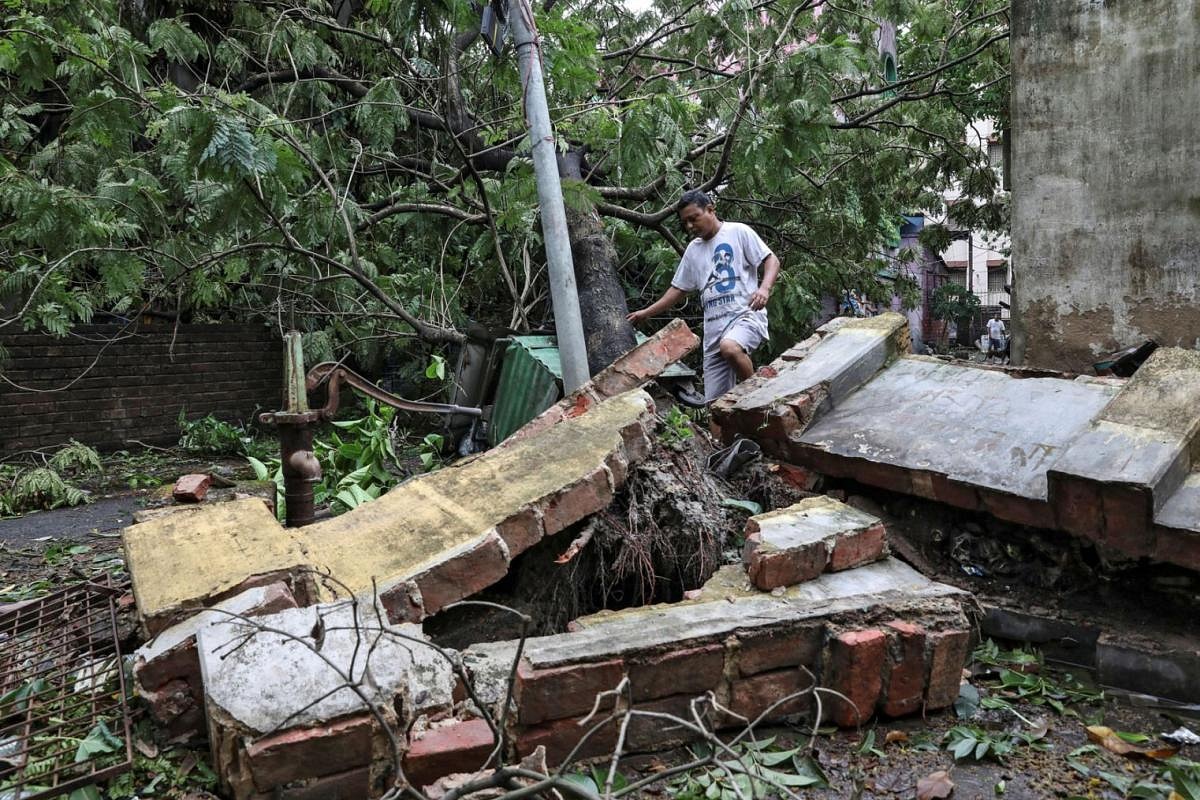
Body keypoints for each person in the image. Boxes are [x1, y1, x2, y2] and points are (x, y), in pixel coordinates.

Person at [627, 190, 781, 403]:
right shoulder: (693, 250)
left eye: (694, 218)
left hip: (744, 315)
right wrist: (646, 313)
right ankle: (726, 436)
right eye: (685, 222)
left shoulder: (737, 232)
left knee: (731, 348)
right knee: (715, 407)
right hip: (713, 331)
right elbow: (678, 289)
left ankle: (758, 399)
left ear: (710, 209)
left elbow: (771, 259)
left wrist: (764, 289)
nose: (690, 226)